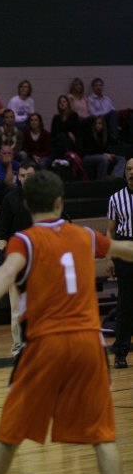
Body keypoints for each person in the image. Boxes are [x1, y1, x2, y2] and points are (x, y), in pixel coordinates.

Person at [0, 169, 133, 474]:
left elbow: (6, 273)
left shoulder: (26, 241)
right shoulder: (84, 235)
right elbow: (123, 248)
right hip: (88, 342)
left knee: (10, 434)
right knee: (102, 434)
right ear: (59, 202)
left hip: (46, 345)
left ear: (26, 204)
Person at [0, 160, 37, 356]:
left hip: (41, 258)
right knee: (17, 308)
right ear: (17, 177)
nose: (25, 180)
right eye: (22, 176)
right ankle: (18, 347)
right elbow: (1, 231)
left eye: (29, 176)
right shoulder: (10, 199)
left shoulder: (44, 198)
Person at [106, 157, 133, 368]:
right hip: (124, 249)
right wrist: (109, 257)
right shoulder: (116, 198)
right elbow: (110, 230)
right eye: (129, 169)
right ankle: (121, 351)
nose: (132, 172)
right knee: (125, 303)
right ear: (124, 173)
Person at [81, 116, 126, 180]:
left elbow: (105, 149)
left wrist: (110, 154)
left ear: (103, 125)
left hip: (101, 154)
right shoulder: (89, 133)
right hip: (88, 156)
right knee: (104, 159)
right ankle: (102, 180)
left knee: (121, 159)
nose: (97, 125)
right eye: (96, 123)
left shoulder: (104, 135)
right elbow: (89, 150)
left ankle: (116, 177)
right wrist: (103, 154)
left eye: (99, 123)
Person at [87, 78, 119, 144]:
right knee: (112, 114)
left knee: (115, 113)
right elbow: (93, 113)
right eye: (96, 85)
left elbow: (113, 109)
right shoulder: (90, 99)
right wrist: (106, 113)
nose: (98, 87)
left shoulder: (107, 99)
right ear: (93, 87)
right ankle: (114, 138)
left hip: (108, 118)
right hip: (97, 119)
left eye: (100, 85)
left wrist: (110, 113)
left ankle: (114, 137)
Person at [51, 95, 80, 160]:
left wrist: (68, 134)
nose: (62, 104)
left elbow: (76, 131)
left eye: (64, 102)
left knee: (63, 137)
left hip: (71, 142)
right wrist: (67, 133)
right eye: (60, 102)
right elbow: (54, 133)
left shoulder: (73, 115)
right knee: (61, 136)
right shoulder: (56, 118)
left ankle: (68, 158)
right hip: (59, 140)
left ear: (68, 103)